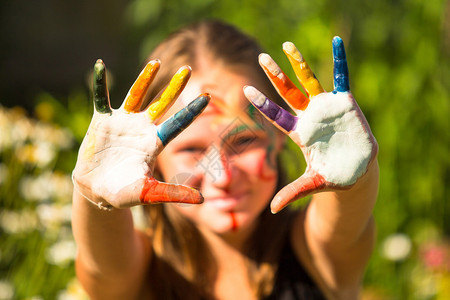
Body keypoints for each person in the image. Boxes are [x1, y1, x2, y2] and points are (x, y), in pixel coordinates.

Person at [71, 20, 379, 299]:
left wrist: (358, 176)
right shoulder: (137, 272)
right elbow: (102, 264)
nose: (223, 176)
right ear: (155, 161)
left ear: (281, 139)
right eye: (191, 149)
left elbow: (347, 220)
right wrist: (94, 193)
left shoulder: (316, 254)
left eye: (244, 141)